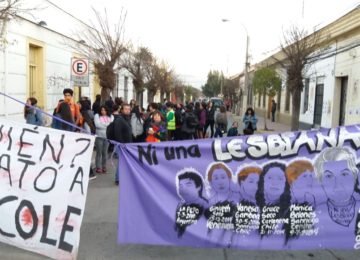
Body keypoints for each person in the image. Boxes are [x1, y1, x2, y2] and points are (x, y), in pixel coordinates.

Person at [313, 147, 360, 248]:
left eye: (344, 174)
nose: (337, 184)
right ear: (320, 181)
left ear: (354, 176)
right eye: (329, 176)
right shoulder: (315, 213)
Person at [256, 162, 290, 248]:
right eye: (270, 178)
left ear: (286, 183)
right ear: (262, 180)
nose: (275, 183)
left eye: (280, 179)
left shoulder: (289, 213)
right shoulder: (252, 206)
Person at [94, 105, 113, 174]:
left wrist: (103, 124)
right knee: (99, 152)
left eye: (105, 110)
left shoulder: (111, 116)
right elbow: (97, 125)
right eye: (102, 110)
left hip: (107, 137)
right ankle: (98, 167)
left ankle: (104, 166)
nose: (103, 111)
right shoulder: (97, 115)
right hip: (99, 136)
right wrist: (107, 125)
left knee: (105, 152)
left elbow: (111, 125)